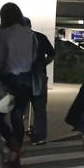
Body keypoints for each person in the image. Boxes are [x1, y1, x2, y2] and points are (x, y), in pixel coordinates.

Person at [0, 3, 36, 168]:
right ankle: (15, 153)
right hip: (26, 79)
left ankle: (13, 146)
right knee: (17, 117)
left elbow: (0, 59)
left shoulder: (3, 35)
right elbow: (34, 55)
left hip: (8, 79)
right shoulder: (30, 34)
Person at [21, 17, 53, 146]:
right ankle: (39, 137)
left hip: (21, 79)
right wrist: (42, 64)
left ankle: (16, 135)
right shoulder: (41, 37)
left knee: (18, 109)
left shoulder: (16, 40)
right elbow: (52, 54)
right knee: (39, 109)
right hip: (38, 78)